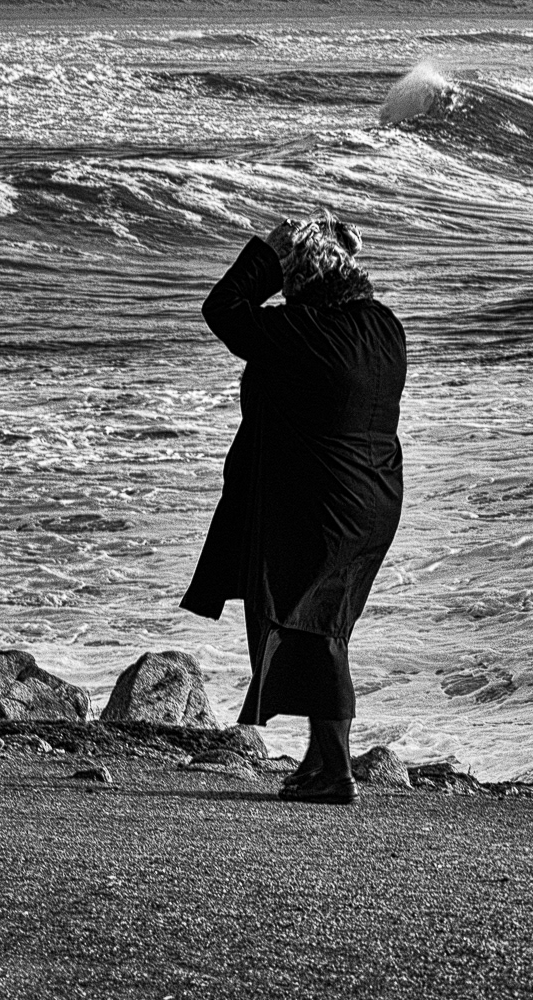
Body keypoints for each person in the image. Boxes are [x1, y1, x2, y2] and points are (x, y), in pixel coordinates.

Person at [181, 211, 407, 804]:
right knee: (325, 625)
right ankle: (318, 760)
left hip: (326, 503)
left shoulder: (305, 333)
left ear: (299, 278)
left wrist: (265, 256)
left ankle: (336, 774)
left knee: (318, 629)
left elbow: (223, 310)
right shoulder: (383, 326)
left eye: (287, 278)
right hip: (372, 500)